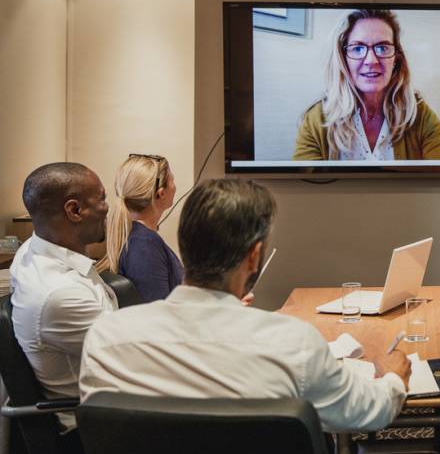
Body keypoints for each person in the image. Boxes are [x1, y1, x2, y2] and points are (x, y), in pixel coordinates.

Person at [79, 177, 411, 433]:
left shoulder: (106, 338)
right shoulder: (293, 344)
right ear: (254, 256)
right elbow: (366, 412)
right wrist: (393, 377)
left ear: (185, 245)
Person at [11, 162, 117, 439]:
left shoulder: (32, 249)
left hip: (107, 399)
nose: (108, 208)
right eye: (102, 198)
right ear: (74, 210)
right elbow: (136, 357)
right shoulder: (59, 295)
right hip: (94, 427)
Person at [293, 8, 440, 161]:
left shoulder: (418, 113)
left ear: (396, 59)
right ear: (343, 59)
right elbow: (303, 190)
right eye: (357, 48)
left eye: (382, 47)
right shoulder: (317, 120)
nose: (371, 61)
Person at [104, 153, 183, 302]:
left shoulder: (135, 237)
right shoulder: (145, 245)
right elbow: (155, 313)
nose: (175, 186)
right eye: (172, 180)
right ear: (161, 193)